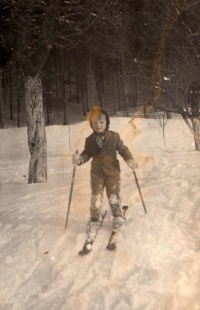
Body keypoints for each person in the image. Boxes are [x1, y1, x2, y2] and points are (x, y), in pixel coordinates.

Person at [72, 106, 137, 238]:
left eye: (101, 122)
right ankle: (94, 218)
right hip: (97, 173)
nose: (98, 125)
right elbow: (86, 154)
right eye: (95, 123)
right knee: (96, 196)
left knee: (113, 195)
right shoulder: (89, 140)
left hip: (113, 172)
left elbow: (123, 150)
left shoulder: (114, 137)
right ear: (91, 124)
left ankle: (117, 215)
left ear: (107, 122)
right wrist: (80, 160)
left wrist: (130, 160)